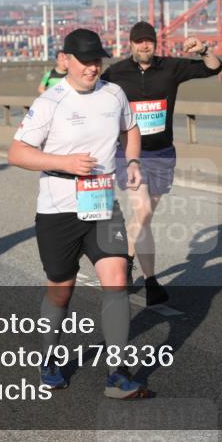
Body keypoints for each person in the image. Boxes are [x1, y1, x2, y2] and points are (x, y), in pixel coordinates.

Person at [8, 28, 149, 399]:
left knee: (117, 278)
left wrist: (132, 160)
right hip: (58, 209)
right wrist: (64, 162)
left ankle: (118, 373)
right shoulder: (50, 102)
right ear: (66, 60)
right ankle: (49, 357)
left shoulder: (114, 92)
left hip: (102, 203)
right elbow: (17, 153)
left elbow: (131, 129)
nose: (92, 68)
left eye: (97, 61)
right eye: (85, 61)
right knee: (60, 291)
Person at [100, 21, 222, 306]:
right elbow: (94, 101)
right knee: (141, 210)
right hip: (129, 154)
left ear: (155, 44)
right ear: (130, 43)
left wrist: (203, 49)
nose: (145, 46)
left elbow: (213, 68)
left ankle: (145, 276)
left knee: (144, 219)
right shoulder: (115, 74)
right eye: (139, 41)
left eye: (149, 41)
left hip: (162, 154)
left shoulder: (171, 68)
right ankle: (131, 268)